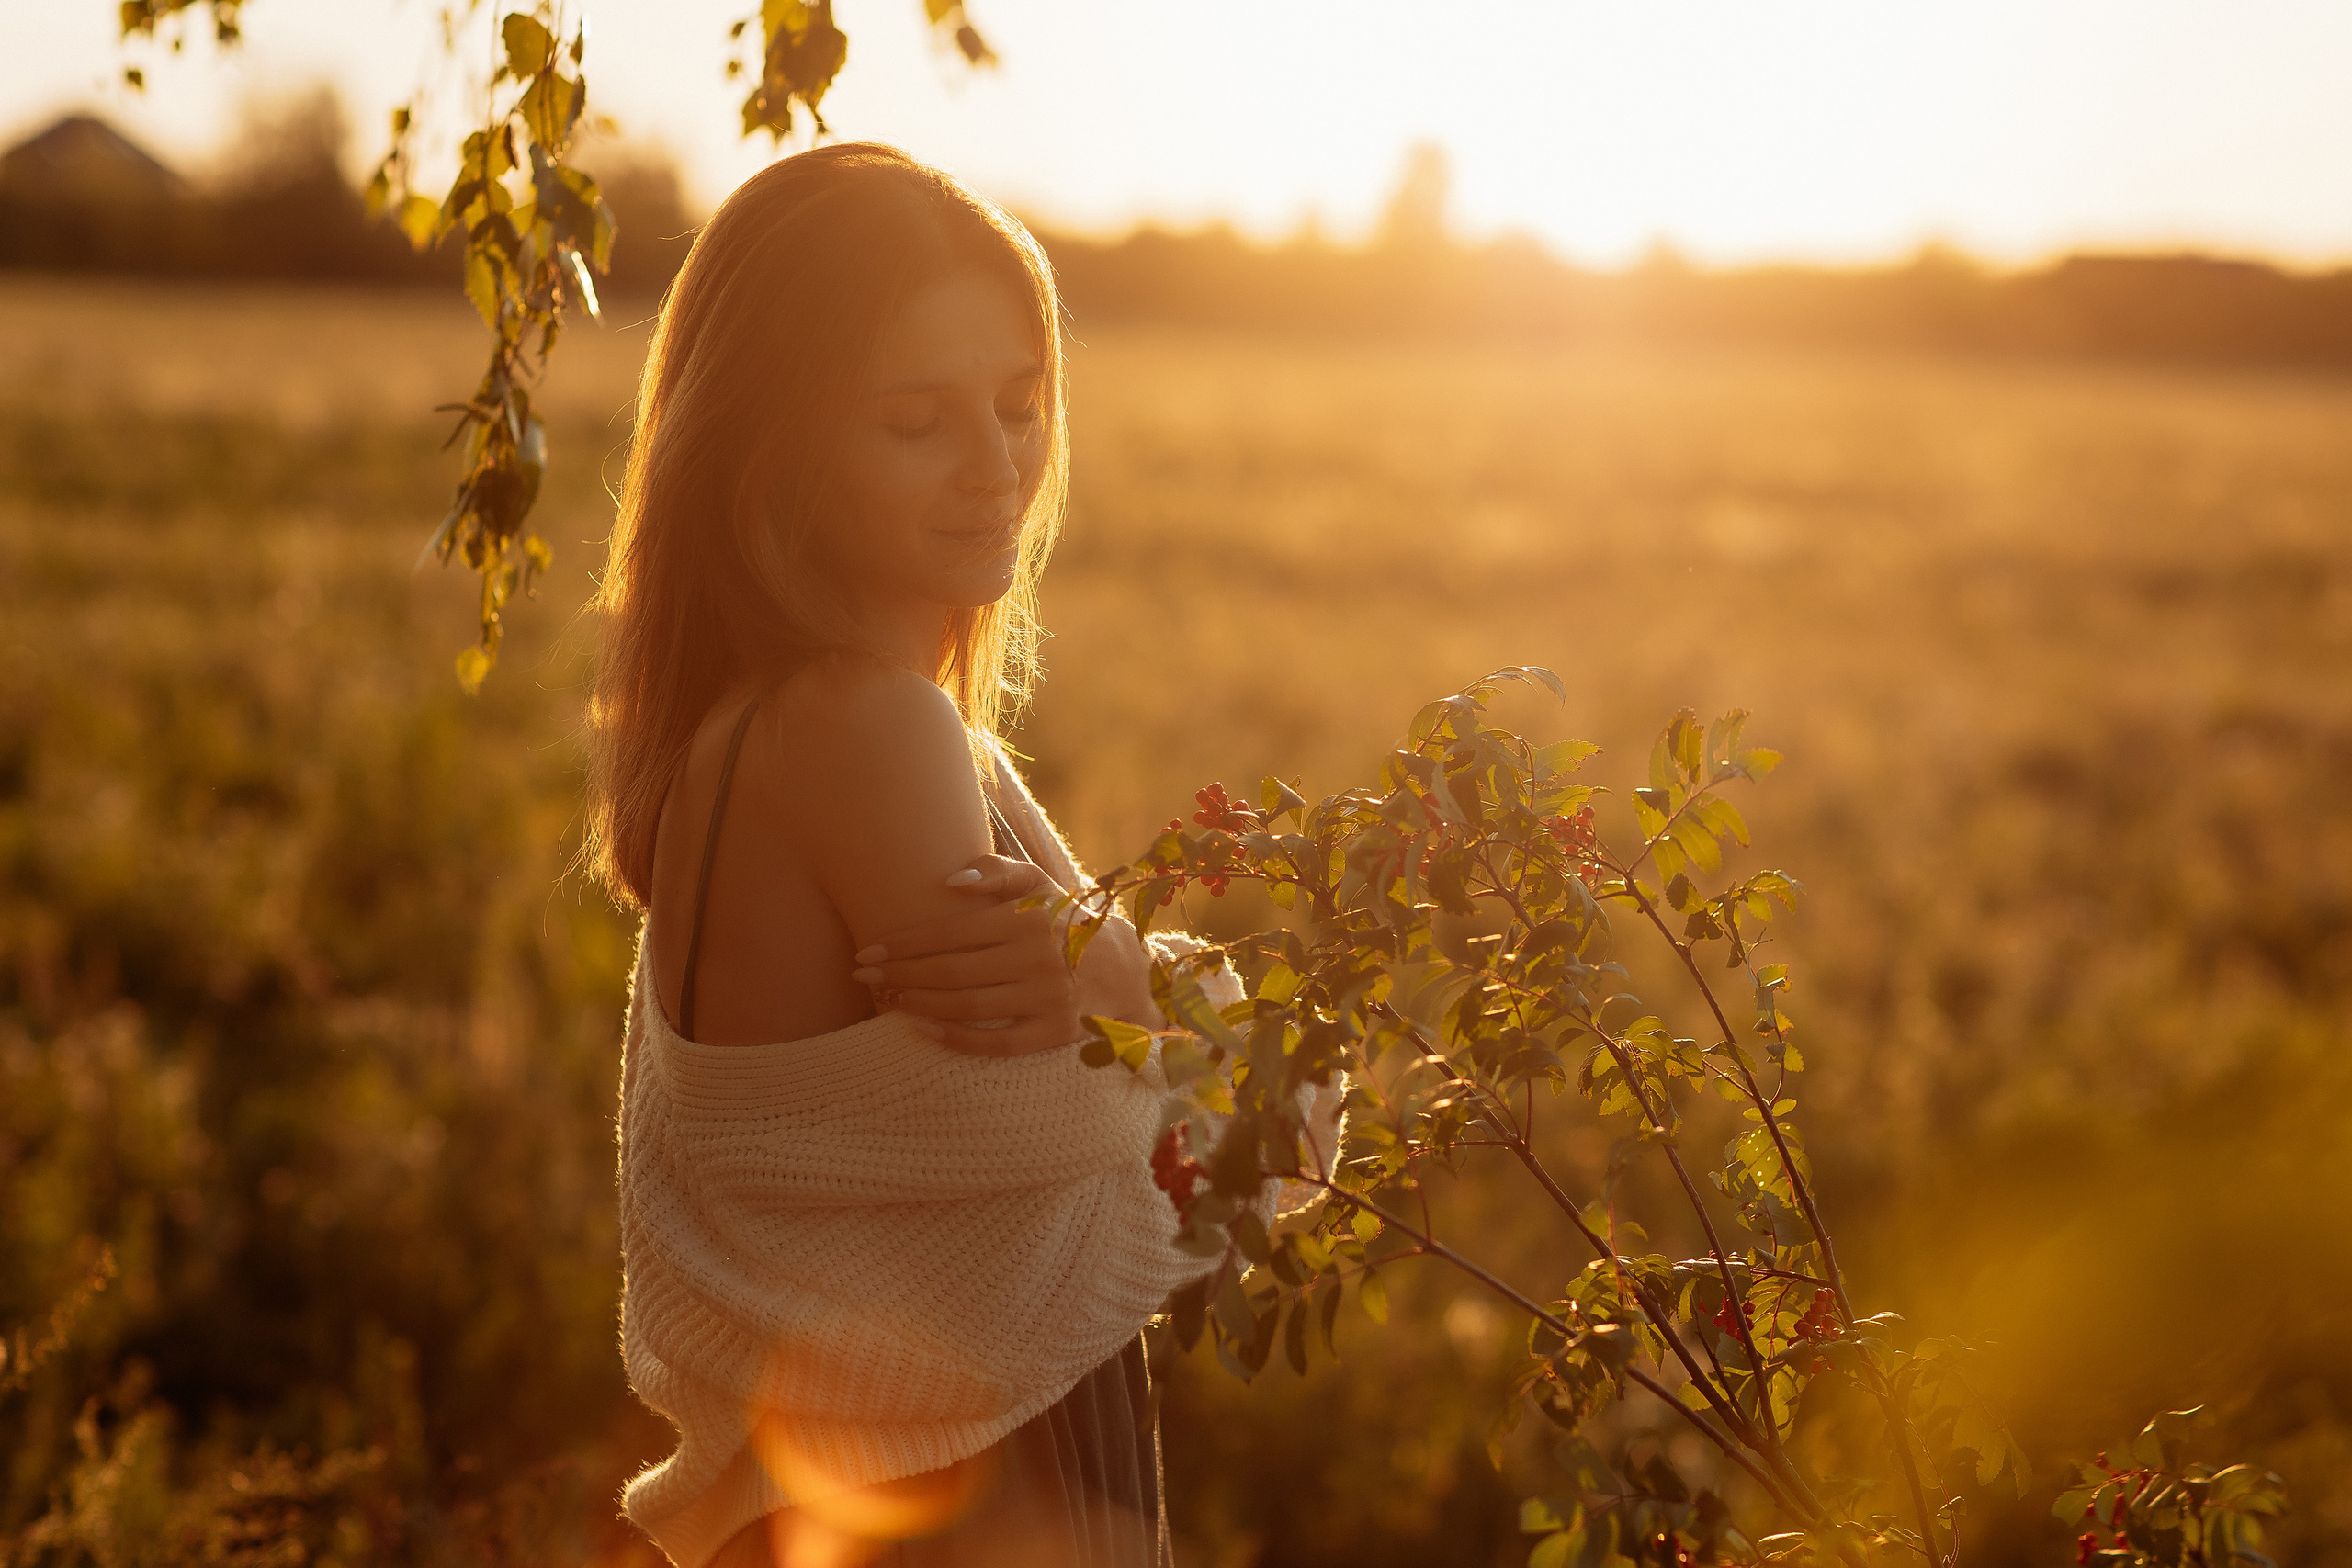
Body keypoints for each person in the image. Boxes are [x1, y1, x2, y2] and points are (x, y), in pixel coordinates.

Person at [584, 143, 1227, 1568]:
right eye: (916, 421)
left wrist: (1128, 1002)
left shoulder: (759, 730)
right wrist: (1153, 991)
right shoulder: (868, 731)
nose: (996, 467)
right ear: (776, 445)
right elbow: (1115, 1152)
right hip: (962, 1504)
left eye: (1018, 405)